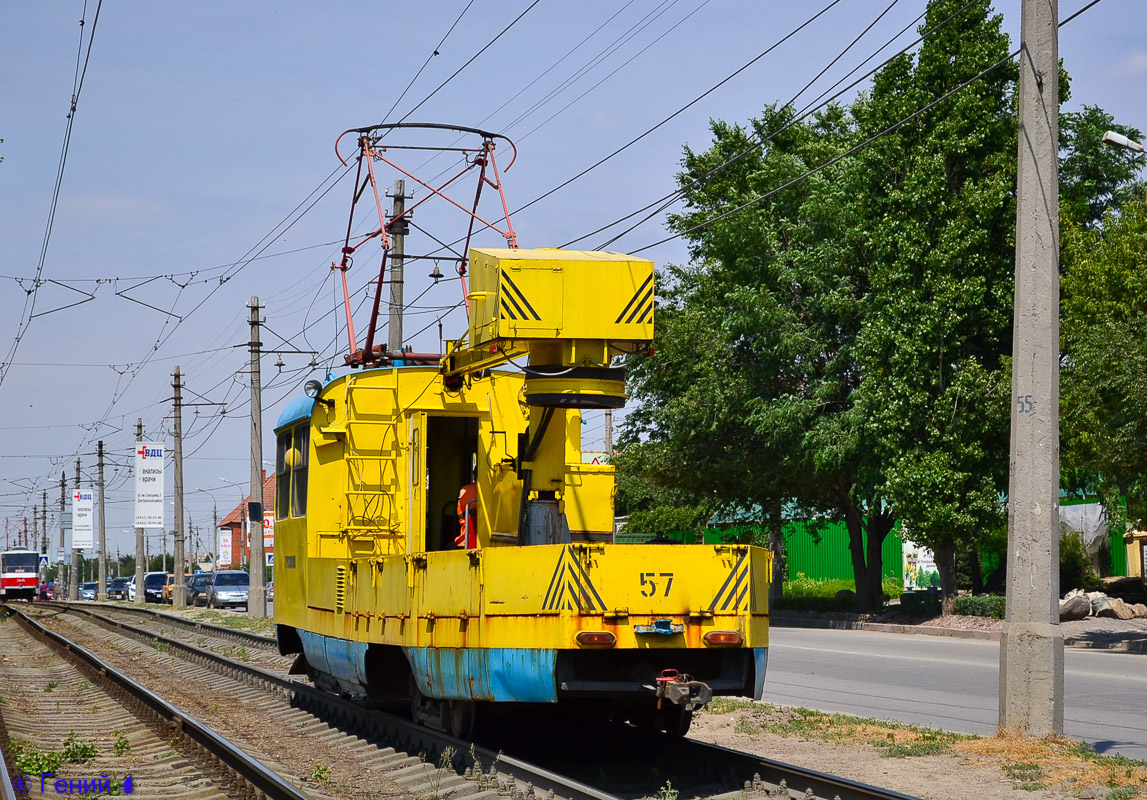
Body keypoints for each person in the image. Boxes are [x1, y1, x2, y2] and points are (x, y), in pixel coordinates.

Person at [455, 481, 477, 548]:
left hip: (464, 540)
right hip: (477, 540)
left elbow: (459, 514)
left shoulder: (464, 490)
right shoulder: (486, 490)